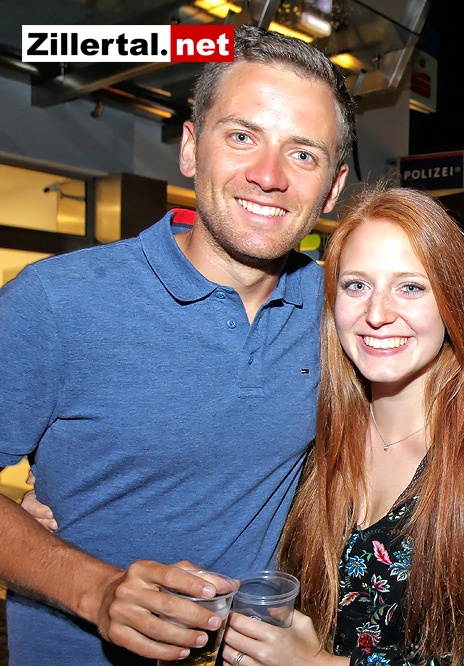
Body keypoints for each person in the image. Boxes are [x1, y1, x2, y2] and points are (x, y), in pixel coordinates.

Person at [0, 24, 353, 664]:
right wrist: (94, 589)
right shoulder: (56, 301)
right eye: (241, 137)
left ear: (332, 187)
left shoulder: (346, 311)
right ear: (191, 148)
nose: (268, 175)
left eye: (303, 154)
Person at [219, 187, 464, 666]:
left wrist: (316, 664)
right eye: (356, 286)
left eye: (410, 287)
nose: (376, 314)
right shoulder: (319, 429)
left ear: (452, 301)